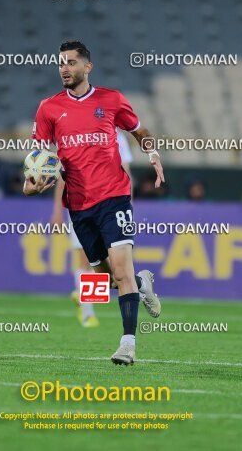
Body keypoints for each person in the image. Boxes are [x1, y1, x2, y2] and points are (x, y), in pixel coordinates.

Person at [23, 40, 165, 366]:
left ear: (88, 67)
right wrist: (30, 187)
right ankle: (142, 282)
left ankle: (127, 344)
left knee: (120, 269)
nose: (64, 68)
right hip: (79, 204)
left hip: (114, 196)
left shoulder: (111, 100)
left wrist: (153, 153)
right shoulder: (48, 108)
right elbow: (39, 159)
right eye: (61, 63)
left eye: (71, 62)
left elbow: (139, 130)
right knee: (100, 280)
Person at [51, 130, 134, 328]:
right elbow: (64, 176)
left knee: (107, 267)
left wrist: (128, 204)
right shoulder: (76, 134)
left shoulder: (117, 138)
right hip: (79, 206)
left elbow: (125, 170)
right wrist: (57, 211)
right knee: (85, 259)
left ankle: (82, 297)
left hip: (110, 207)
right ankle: (87, 313)